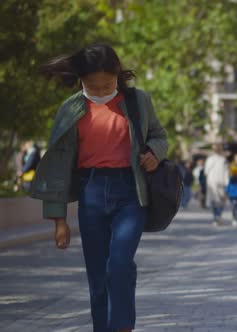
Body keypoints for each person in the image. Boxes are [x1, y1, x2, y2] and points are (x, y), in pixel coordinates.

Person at [31, 44, 168, 332]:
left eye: (107, 84)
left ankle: (121, 326)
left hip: (131, 192)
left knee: (118, 264)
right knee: (97, 274)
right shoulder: (71, 109)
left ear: (118, 74)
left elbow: (159, 135)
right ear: (81, 80)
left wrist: (154, 153)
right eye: (92, 86)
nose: (101, 90)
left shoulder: (138, 101)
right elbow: (56, 166)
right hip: (91, 192)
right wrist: (59, 221)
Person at [204, 143, 229, 226]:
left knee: (214, 201)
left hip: (212, 182)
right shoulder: (223, 159)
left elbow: (206, 172)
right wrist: (227, 183)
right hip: (221, 181)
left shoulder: (210, 159)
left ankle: (216, 217)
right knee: (221, 200)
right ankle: (218, 216)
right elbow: (226, 173)